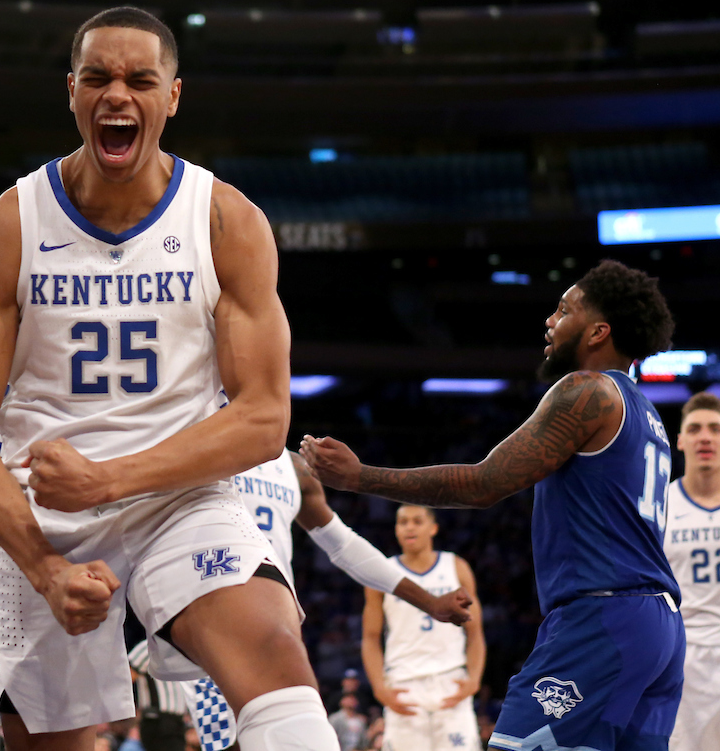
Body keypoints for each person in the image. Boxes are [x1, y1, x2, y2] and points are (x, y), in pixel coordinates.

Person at [0, 5, 335, 751]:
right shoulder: (8, 226)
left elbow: (263, 419)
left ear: (172, 97)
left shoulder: (225, 220)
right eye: (98, 77)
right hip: (43, 517)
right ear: (72, 92)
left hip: (178, 496)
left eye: (140, 79)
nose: (117, 94)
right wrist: (48, 567)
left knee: (278, 659)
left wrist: (108, 479)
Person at [302, 260, 684, 750]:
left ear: (597, 332)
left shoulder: (586, 391)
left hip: (603, 618)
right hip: (660, 628)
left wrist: (359, 477)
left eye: (564, 310)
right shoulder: (649, 415)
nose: (550, 320)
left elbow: (483, 483)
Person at [180, 450, 472, 751]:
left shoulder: (293, 467)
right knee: (231, 744)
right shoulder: (194, 438)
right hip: (213, 626)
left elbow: (342, 543)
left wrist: (430, 602)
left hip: (278, 628)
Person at [362, 505, 484, 751]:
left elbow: (475, 632)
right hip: (404, 684)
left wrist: (474, 680)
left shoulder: (456, 566)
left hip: (451, 680)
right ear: (396, 529)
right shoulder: (382, 573)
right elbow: (370, 637)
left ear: (433, 528)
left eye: (417, 521)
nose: (409, 527)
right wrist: (379, 688)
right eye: (403, 522)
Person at [664, 391, 720, 751]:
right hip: (681, 659)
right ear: (681, 440)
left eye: (715, 429)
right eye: (696, 428)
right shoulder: (658, 507)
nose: (705, 436)